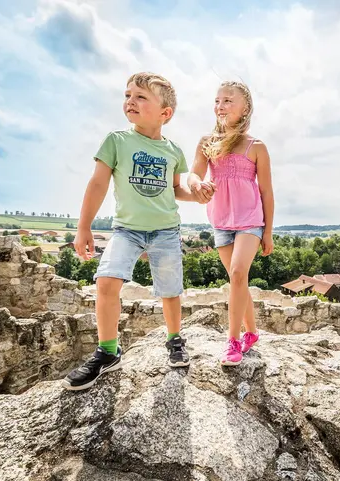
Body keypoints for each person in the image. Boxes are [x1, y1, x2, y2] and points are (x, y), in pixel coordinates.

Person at [63, 72, 205, 391]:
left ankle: (174, 339)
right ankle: (108, 352)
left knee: (170, 290)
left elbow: (174, 190)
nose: (130, 101)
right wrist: (83, 226)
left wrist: (196, 194)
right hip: (126, 230)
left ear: (165, 113)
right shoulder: (117, 141)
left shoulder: (173, 150)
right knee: (106, 281)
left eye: (141, 97)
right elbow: (98, 183)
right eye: (127, 95)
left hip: (166, 230)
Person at [188, 80, 274, 366]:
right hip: (220, 220)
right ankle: (251, 332)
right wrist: (197, 183)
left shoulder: (256, 146)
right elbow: (194, 174)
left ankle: (233, 341)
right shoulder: (207, 142)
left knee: (238, 274)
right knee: (238, 281)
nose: (220, 106)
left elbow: (266, 192)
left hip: (250, 220)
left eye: (227, 100)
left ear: (245, 107)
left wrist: (269, 233)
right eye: (217, 101)